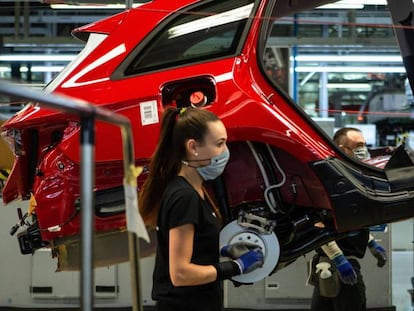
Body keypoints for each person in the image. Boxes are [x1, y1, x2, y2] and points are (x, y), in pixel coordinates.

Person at [139, 106, 264, 311]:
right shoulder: (184, 197)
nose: (225, 152)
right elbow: (180, 274)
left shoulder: (197, 190)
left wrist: (223, 249)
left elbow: (193, 247)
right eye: (219, 144)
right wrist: (235, 267)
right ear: (193, 147)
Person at [310, 127, 388, 311]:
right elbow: (319, 225)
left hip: (333, 264)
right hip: (338, 264)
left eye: (364, 145)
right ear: (341, 148)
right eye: (358, 145)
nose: (363, 149)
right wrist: (339, 259)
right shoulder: (331, 180)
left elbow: (348, 220)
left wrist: (371, 243)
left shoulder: (351, 177)